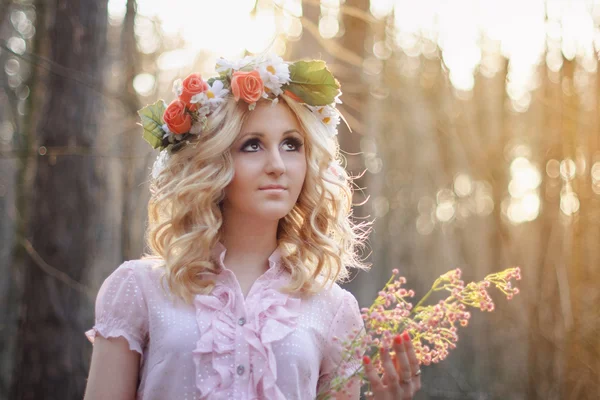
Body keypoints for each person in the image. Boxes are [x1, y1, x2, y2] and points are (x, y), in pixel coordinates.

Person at [83, 54, 422, 400]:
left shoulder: (334, 310)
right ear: (213, 162)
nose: (277, 165)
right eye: (252, 145)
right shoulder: (138, 288)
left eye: (291, 144)